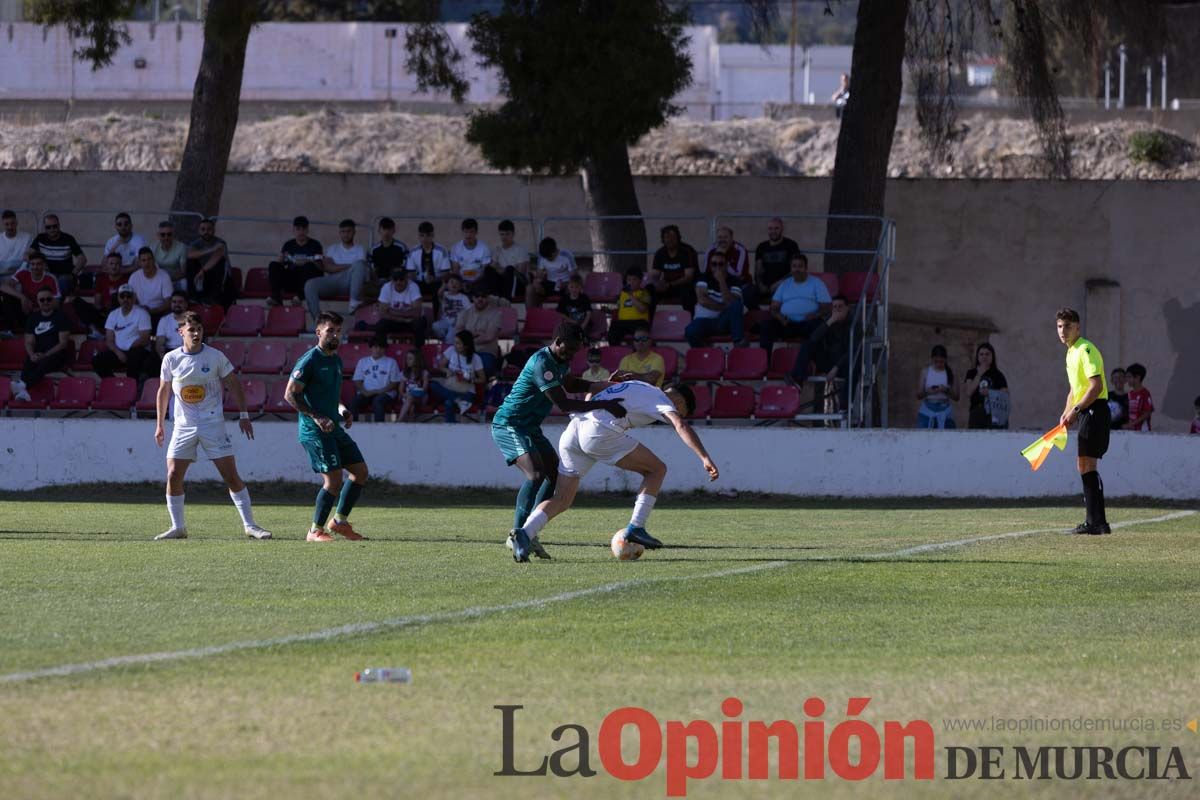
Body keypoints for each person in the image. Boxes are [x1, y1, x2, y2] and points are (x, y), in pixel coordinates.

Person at [514, 380, 718, 559]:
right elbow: (680, 424)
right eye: (681, 410)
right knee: (656, 470)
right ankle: (636, 527)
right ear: (680, 403)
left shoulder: (640, 386)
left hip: (574, 430)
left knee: (561, 499)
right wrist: (704, 457)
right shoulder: (663, 400)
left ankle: (524, 533)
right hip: (599, 432)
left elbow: (594, 390)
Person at [492, 320, 630, 561]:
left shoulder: (559, 362)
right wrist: (604, 403)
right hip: (509, 424)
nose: (571, 355)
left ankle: (529, 533)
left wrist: (607, 384)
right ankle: (518, 534)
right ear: (557, 342)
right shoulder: (542, 363)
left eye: (575, 351)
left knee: (553, 475)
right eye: (568, 349)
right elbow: (564, 403)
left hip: (530, 427)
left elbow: (574, 383)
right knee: (535, 474)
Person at [153, 311, 272, 541]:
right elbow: (164, 391)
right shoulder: (171, 359)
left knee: (230, 476)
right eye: (191, 330)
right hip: (183, 426)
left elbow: (234, 385)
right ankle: (178, 527)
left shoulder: (215, 357)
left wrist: (244, 415)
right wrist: (159, 425)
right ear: (181, 333)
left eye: (199, 329)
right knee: (173, 475)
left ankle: (250, 525)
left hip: (212, 424)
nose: (196, 333)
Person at [285, 311, 370, 542]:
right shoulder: (310, 360)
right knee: (333, 481)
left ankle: (340, 522)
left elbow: (330, 396)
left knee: (360, 472)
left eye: (338, 331)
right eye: (330, 330)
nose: (335, 335)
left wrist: (342, 410)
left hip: (333, 427)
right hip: (315, 430)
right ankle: (314, 531)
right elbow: (290, 395)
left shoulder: (336, 360)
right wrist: (316, 417)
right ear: (318, 332)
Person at [1056, 307, 1110, 535]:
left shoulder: (1085, 349)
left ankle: (1096, 522)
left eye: (1067, 326)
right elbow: (1074, 389)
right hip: (1086, 411)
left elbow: (1095, 386)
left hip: (1094, 410)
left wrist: (1076, 410)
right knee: (1084, 464)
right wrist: (1066, 411)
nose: (1063, 331)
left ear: (1078, 327)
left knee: (1087, 463)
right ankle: (1097, 522)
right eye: (1059, 326)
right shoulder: (1070, 353)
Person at [788, 294, 852, 408]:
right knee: (807, 344)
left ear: (848, 308)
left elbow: (852, 351)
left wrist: (836, 367)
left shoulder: (853, 324)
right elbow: (813, 339)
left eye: (840, 307)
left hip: (843, 365)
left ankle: (798, 377)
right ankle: (797, 379)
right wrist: (830, 322)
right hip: (829, 361)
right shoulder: (830, 321)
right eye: (834, 307)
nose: (837, 310)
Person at [760, 253, 831, 351]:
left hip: (808, 323)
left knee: (819, 327)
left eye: (800, 266)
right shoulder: (785, 284)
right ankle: (765, 363)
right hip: (787, 324)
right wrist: (780, 317)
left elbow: (827, 307)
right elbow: (774, 308)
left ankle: (818, 364)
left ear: (806, 268)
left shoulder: (816, 283)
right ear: (791, 268)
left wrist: (816, 315)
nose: (797, 269)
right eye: (794, 266)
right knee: (766, 327)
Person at [11, 288, 71, 401]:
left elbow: (63, 343)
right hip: (38, 353)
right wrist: (32, 354)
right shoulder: (33, 318)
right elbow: (29, 342)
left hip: (57, 354)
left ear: (53, 300)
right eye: (42, 300)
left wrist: (46, 354)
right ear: (38, 301)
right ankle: (23, 392)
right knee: (29, 361)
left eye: (48, 299)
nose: (45, 302)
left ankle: (23, 386)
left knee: (44, 362)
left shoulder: (61, 317)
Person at [305, 218, 368, 322]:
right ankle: (318, 319)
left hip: (350, 283)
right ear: (339, 233)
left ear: (354, 232)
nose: (346, 234)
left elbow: (360, 270)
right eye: (343, 231)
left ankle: (353, 302)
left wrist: (338, 267)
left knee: (360, 265)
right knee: (310, 284)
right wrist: (351, 266)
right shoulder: (332, 249)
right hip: (333, 281)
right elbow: (328, 268)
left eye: (349, 231)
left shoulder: (360, 249)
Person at [93, 284, 155, 383]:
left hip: (137, 350)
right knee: (97, 360)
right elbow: (109, 339)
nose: (125, 299)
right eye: (122, 296)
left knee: (134, 357)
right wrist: (119, 353)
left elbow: (144, 339)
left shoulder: (142, 313)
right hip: (119, 352)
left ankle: (132, 387)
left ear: (134, 298)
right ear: (118, 298)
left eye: (128, 296)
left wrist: (127, 350)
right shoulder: (113, 315)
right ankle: (114, 385)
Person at [684, 252, 745, 347]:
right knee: (690, 331)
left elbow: (732, 302)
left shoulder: (735, 281)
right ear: (710, 265)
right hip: (704, 321)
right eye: (714, 264)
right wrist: (724, 307)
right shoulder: (703, 278)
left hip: (724, 322)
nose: (717, 267)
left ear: (726, 265)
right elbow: (703, 301)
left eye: (721, 264)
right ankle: (707, 353)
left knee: (736, 304)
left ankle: (738, 343)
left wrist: (721, 281)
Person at [430, 330, 486, 423]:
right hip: (451, 387)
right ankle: (457, 402)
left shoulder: (475, 358)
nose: (455, 345)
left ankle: (452, 427)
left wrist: (470, 379)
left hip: (466, 392)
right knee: (433, 385)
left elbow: (482, 379)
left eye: (458, 343)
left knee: (448, 403)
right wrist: (447, 370)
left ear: (466, 346)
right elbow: (441, 366)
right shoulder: (451, 350)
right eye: (455, 342)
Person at [268, 215, 323, 307]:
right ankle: (276, 297)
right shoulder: (288, 245)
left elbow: (321, 268)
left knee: (309, 267)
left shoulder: (315, 245)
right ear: (293, 230)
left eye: (304, 229)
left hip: (307, 282)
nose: (301, 232)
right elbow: (281, 264)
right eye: (298, 229)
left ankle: (299, 297)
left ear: (307, 230)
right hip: (292, 280)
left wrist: (307, 261)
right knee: (273, 265)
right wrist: (280, 261)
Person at [1, 251, 59, 333]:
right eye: (33, 264)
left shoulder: (50, 278)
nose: (35, 267)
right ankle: (9, 331)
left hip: (42, 312)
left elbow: (56, 303)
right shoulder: (24, 273)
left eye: (38, 264)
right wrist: (22, 297)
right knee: (7, 295)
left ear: (44, 265)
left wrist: (39, 309)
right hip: (26, 309)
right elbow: (3, 286)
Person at [31, 213, 86, 297]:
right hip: (46, 274)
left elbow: (82, 259)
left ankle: (59, 307)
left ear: (59, 225)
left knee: (62, 281)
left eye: (54, 226)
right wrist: (40, 264)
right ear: (45, 228)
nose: (52, 229)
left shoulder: (68, 239)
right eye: (48, 227)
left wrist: (73, 274)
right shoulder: (40, 238)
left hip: (65, 276)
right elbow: (27, 255)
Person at [648, 224, 698, 313]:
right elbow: (654, 275)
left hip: (684, 285)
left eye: (672, 236)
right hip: (667, 286)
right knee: (649, 290)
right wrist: (657, 283)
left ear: (678, 238)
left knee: (687, 291)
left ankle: (690, 320)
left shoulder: (687, 251)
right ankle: (649, 322)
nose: (670, 240)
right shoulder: (660, 253)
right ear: (663, 240)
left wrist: (670, 284)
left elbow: (689, 277)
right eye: (667, 237)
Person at [753, 218, 801, 309]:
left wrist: (779, 283)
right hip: (765, 287)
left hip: (784, 285)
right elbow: (758, 271)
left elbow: (796, 269)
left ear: (782, 229)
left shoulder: (791, 245)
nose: (773, 231)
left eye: (776, 228)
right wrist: (760, 285)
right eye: (770, 228)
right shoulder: (761, 247)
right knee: (748, 295)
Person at [370, 268, 428, 344]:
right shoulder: (386, 287)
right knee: (381, 325)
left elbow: (417, 313)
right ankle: (382, 351)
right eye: (395, 279)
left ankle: (418, 352)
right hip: (397, 321)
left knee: (419, 324)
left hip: (412, 321)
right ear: (391, 279)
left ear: (406, 278)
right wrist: (403, 319)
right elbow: (383, 313)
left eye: (401, 279)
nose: (398, 282)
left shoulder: (413, 286)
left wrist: (392, 311)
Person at [351, 338, 401, 422]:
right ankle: (352, 429)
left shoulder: (391, 362)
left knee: (378, 402)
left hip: (385, 393)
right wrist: (364, 392)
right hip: (366, 393)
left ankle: (379, 429)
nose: (378, 350)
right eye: (375, 347)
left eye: (381, 348)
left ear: (384, 349)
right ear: (371, 348)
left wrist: (379, 391)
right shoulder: (363, 361)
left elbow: (394, 383)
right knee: (354, 402)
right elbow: (357, 381)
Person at [963, 342, 1010, 429]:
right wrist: (979, 374)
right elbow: (968, 392)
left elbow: (1005, 394)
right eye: (981, 354)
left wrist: (990, 393)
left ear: (992, 356)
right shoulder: (971, 373)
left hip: (994, 413)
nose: (984, 357)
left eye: (987, 354)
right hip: (976, 412)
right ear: (977, 356)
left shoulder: (998, 374)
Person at [186, 218, 231, 307]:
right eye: (203, 229)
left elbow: (216, 257)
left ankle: (213, 298)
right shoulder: (195, 243)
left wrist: (202, 270)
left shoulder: (220, 242)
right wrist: (211, 249)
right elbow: (190, 255)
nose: (206, 232)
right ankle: (193, 297)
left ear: (214, 230)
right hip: (203, 276)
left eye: (209, 229)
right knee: (190, 261)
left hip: (218, 276)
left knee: (220, 262)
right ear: (199, 231)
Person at [455, 285, 503, 367]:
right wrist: (478, 334)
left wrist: (468, 337)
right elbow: (458, 334)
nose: (480, 299)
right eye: (477, 296)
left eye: (483, 296)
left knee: (485, 367)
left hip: (486, 351)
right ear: (472, 298)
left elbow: (488, 337)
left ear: (488, 298)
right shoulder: (464, 313)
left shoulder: (496, 314)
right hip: (465, 351)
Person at [405, 221, 452, 298]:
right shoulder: (413, 252)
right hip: (419, 282)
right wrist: (414, 279)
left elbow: (446, 273)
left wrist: (434, 279)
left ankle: (438, 309)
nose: (425, 239)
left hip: (437, 282)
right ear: (418, 236)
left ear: (432, 235)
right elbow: (410, 273)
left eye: (428, 235)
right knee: (410, 287)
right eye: (422, 235)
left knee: (444, 287)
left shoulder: (442, 251)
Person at [916, 344, 958, 429]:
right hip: (927, 410)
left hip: (945, 410)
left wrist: (946, 390)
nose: (939, 364)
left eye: (941, 362)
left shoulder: (951, 373)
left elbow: (957, 397)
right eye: (936, 361)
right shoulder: (925, 372)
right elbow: (918, 395)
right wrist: (928, 392)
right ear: (932, 359)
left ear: (945, 360)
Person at [525, 237, 575, 308]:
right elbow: (539, 276)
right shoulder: (542, 257)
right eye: (545, 258)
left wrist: (565, 284)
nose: (547, 259)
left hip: (565, 284)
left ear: (555, 251)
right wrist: (536, 282)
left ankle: (569, 314)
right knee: (530, 288)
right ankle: (532, 315)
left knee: (572, 288)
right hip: (550, 283)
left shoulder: (566, 255)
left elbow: (574, 277)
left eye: (549, 257)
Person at [607, 267, 651, 346]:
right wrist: (608, 311)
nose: (631, 282)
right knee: (613, 328)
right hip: (623, 323)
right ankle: (615, 353)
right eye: (629, 280)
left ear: (640, 281)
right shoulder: (623, 294)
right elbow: (621, 309)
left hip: (639, 323)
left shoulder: (644, 293)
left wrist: (631, 295)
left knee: (640, 335)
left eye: (634, 279)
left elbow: (642, 309)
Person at [127, 247, 174, 321]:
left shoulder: (164, 276)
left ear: (154, 260)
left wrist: (152, 311)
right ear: (139, 262)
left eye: (149, 259)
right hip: (139, 313)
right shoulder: (134, 277)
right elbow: (130, 299)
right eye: (143, 260)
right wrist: (140, 309)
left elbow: (168, 303)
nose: (147, 263)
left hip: (159, 313)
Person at [449, 218, 492, 290]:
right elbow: (455, 270)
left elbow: (484, 271)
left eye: (471, 232)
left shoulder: (484, 248)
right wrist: (462, 282)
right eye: (466, 232)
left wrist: (473, 283)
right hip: (461, 282)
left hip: (478, 281)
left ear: (476, 232)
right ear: (462, 232)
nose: (468, 235)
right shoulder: (456, 247)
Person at [492, 219, 530, 300]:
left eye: (507, 234)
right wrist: (505, 269)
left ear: (513, 234)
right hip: (503, 281)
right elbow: (493, 267)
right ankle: (493, 297)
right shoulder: (497, 250)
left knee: (510, 269)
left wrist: (502, 268)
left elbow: (520, 272)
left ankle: (508, 298)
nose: (504, 237)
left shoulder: (520, 250)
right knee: (488, 270)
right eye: (502, 234)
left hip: (518, 283)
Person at [151, 220, 189, 290]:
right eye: (163, 235)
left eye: (169, 234)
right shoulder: (153, 247)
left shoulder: (181, 247)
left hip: (175, 279)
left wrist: (167, 280)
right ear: (158, 235)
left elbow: (183, 272)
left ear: (173, 235)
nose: (166, 237)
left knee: (184, 283)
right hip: (158, 279)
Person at [432, 274, 469, 343]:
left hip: (457, 322)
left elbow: (469, 311)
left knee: (450, 336)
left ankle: (447, 345)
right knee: (435, 326)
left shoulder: (464, 297)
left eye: (457, 283)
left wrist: (461, 320)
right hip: (445, 321)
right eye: (452, 282)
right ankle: (443, 339)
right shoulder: (445, 295)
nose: (454, 284)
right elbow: (439, 293)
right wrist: (443, 285)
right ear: (447, 285)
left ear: (460, 287)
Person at [370, 217, 408, 282]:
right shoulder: (374, 250)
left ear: (394, 231)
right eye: (384, 229)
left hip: (397, 281)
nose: (386, 232)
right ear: (379, 230)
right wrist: (377, 282)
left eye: (389, 229)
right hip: (379, 281)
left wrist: (394, 278)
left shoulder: (401, 247)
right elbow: (373, 269)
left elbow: (404, 266)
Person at [396, 348, 429, 423]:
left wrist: (415, 393)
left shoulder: (424, 373)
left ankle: (398, 422)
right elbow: (401, 390)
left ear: (417, 360)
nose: (407, 360)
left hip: (420, 397)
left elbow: (424, 389)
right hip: (407, 397)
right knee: (412, 407)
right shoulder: (404, 373)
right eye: (407, 358)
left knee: (411, 398)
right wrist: (404, 395)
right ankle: (411, 425)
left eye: (410, 358)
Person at [154, 292, 190, 358]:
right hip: (169, 352)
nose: (177, 304)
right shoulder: (164, 320)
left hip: (187, 352)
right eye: (174, 302)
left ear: (186, 304)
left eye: (180, 302)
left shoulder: (193, 320)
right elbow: (159, 343)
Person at [0, 209, 32, 275]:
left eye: (12, 223)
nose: (10, 227)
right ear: (3, 224)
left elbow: (28, 261)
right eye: (7, 224)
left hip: (21, 276)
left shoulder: (27, 238)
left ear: (16, 223)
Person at [1125, 363, 1154, 431]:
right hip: (1131, 430)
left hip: (1143, 430)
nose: (1127, 380)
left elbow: (1147, 412)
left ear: (1138, 377)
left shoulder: (1145, 393)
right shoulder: (1130, 394)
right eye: (1126, 377)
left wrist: (1133, 423)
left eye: (1129, 377)